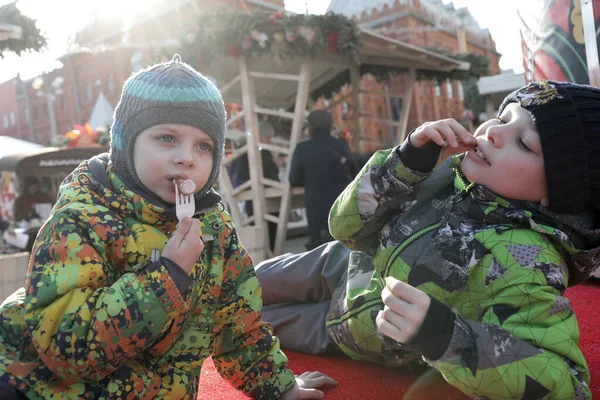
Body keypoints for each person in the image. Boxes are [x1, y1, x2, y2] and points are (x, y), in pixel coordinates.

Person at [0, 55, 336, 399]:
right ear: (125, 144)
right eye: (166, 138)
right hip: (30, 384)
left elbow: (238, 323)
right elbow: (67, 351)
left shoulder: (213, 228)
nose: (186, 157)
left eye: (203, 146)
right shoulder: (82, 218)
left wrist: (279, 387)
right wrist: (167, 276)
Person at [256, 80, 600, 398]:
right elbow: (343, 228)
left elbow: (564, 384)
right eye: (502, 117)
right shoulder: (444, 168)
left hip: (347, 331)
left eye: (524, 143)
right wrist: (403, 163)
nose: (494, 132)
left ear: (558, 194)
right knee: (241, 284)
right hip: (335, 263)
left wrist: (446, 337)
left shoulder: (528, 262)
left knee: (242, 325)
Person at [289, 110, 358, 251]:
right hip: (342, 205)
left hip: (316, 207)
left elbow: (294, 179)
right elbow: (356, 173)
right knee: (346, 250)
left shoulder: (302, 149)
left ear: (309, 128)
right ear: (330, 126)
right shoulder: (341, 146)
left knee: (320, 252)